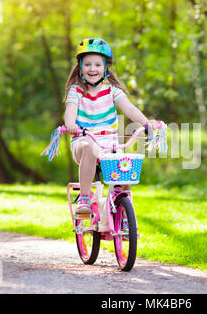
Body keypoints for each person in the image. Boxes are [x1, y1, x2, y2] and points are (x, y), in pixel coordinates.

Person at [63, 38, 159, 214]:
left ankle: (124, 213)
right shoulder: (76, 91)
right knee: (89, 148)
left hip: (109, 146)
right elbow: (71, 109)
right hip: (83, 142)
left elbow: (129, 108)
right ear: (80, 67)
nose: (93, 69)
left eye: (98, 65)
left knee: (125, 168)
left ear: (105, 68)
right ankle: (84, 198)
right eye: (88, 64)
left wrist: (147, 123)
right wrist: (69, 124)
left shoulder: (112, 91)